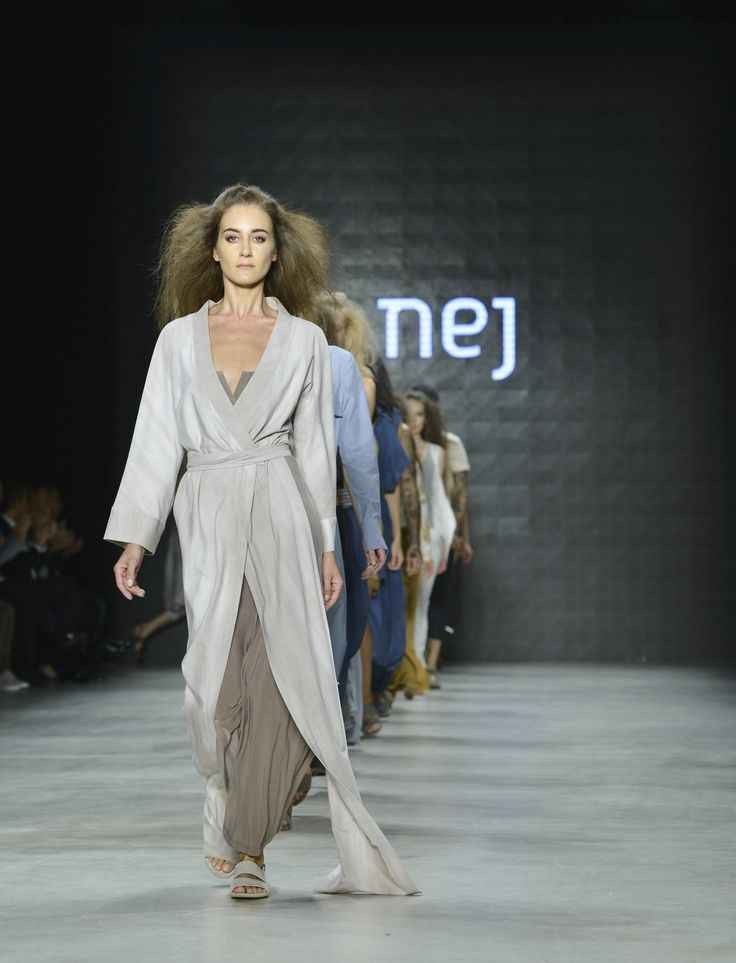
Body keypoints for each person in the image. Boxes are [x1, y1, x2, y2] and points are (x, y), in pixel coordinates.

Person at [104, 183, 418, 900]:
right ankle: (222, 796)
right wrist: (136, 540)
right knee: (211, 691)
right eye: (233, 237)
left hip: (281, 508)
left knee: (283, 680)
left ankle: (250, 847)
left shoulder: (304, 341)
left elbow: (315, 451)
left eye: (258, 238)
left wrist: (327, 547)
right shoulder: (177, 341)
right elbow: (155, 442)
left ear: (277, 253)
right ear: (212, 250)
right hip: (209, 511)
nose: (245, 250)